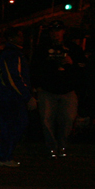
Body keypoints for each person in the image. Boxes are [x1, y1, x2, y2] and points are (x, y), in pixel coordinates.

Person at [31, 20, 82, 157]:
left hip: (68, 90)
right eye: (53, 31)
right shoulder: (42, 48)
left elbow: (83, 67)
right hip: (48, 90)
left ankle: (63, 145)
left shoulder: (73, 48)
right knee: (47, 120)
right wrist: (38, 86)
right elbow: (35, 68)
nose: (56, 34)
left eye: (58, 30)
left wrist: (73, 62)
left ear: (63, 32)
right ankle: (51, 147)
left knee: (68, 119)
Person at [0, 27, 36, 167]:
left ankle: (2, 151)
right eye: (19, 36)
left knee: (13, 125)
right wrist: (26, 95)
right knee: (15, 125)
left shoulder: (13, 53)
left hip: (9, 96)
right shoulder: (12, 54)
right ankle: (5, 156)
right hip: (11, 97)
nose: (22, 38)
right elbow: (13, 77)